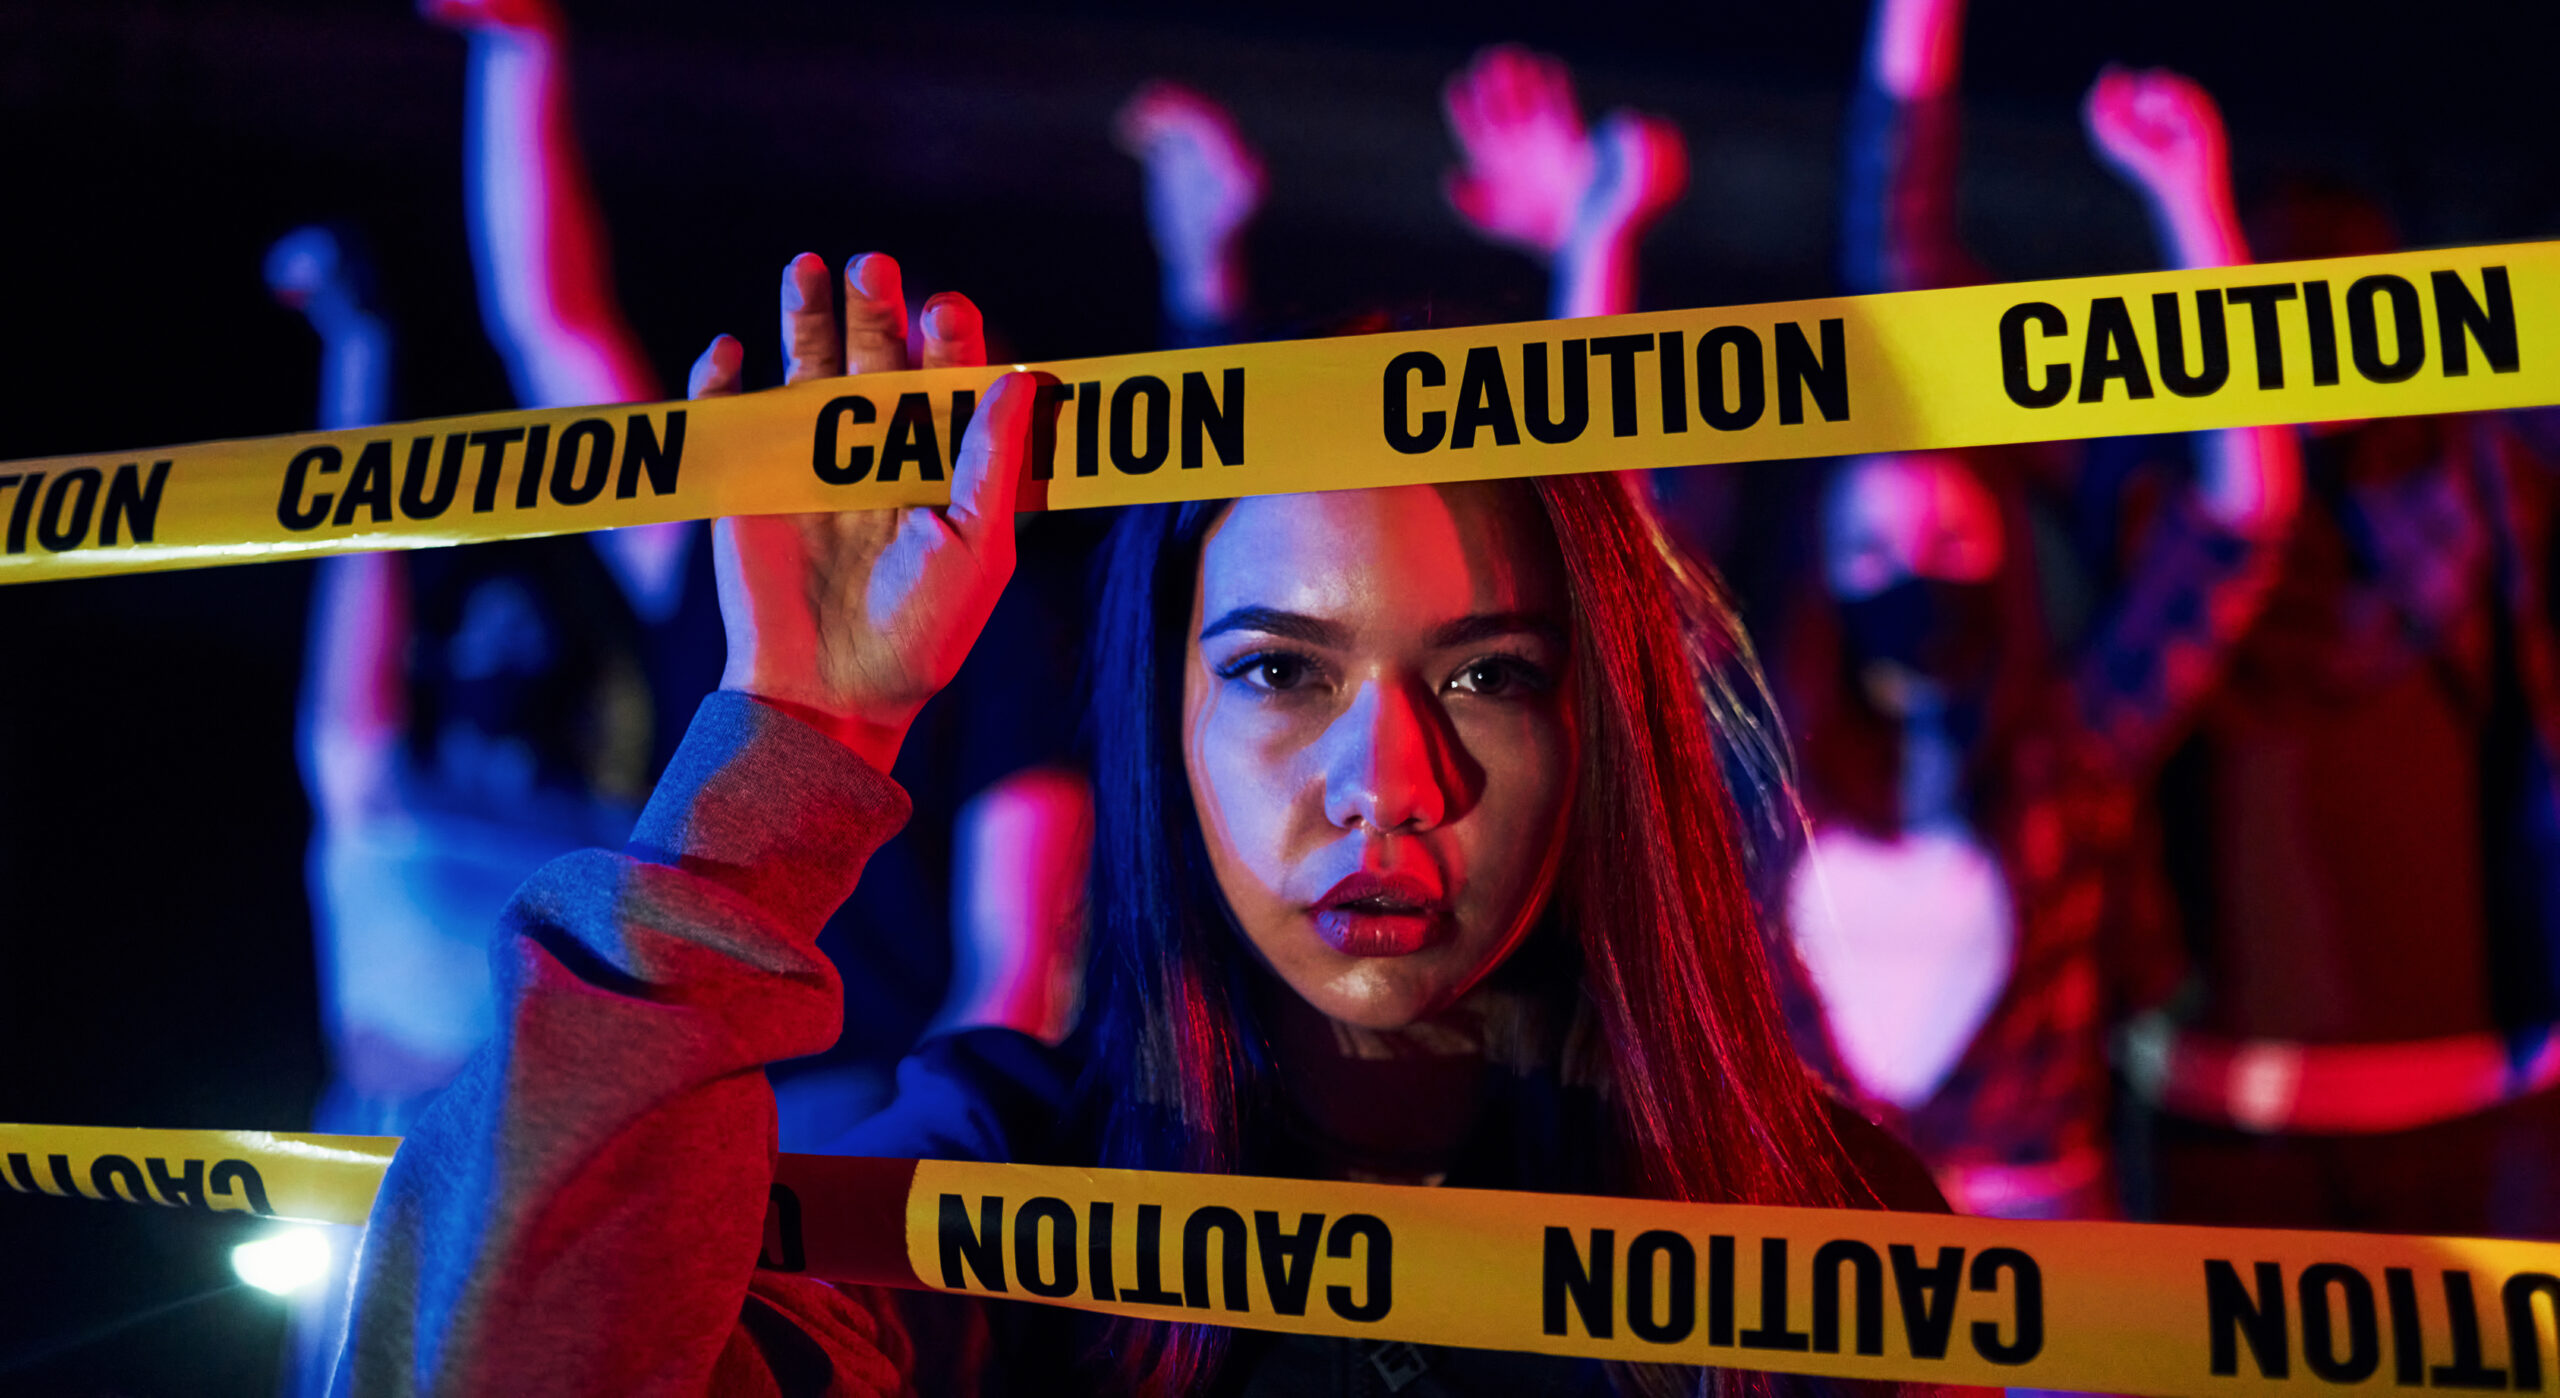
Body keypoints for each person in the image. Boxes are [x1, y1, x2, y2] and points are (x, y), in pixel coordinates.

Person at [335, 249, 1950, 1398]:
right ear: (1159, 713)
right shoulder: (989, 1176)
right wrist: (789, 744)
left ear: (1602, 718)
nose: (1387, 776)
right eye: (1278, 668)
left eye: (1488, 676)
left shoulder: (1831, 1224)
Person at [1766, 0, 2303, 1223]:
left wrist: (2191, 210)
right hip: (1816, 1264)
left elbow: (2241, 522)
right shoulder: (1759, 767)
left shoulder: (2067, 754)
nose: (1909, 566)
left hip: (2041, 1269)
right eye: (1869, 544)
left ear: (2003, 558)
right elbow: (1629, 525)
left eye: (1949, 535)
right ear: (1818, 571)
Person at [2119, 178, 2560, 1238]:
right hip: (2222, 1098)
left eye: (2346, 299)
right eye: (2275, 299)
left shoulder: (2483, 485)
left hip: (2469, 1086)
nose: (2314, 332)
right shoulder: (2165, 504)